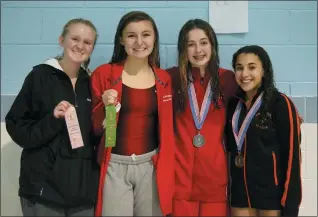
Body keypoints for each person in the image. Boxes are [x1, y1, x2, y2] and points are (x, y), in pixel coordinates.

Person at [5, 18, 100, 216]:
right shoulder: (39, 76)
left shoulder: (91, 83)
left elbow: (93, 135)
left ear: (92, 48)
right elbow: (17, 126)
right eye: (75, 38)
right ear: (62, 40)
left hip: (83, 194)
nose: (80, 46)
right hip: (44, 191)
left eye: (87, 42)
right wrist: (52, 120)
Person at [90, 11, 175, 216]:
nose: (139, 42)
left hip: (151, 167)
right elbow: (94, 128)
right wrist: (103, 106)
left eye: (146, 34)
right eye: (131, 35)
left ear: (154, 38)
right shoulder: (104, 74)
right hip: (115, 167)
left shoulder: (163, 78)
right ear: (121, 39)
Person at [166, 19, 238, 216]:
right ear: (183, 49)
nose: (198, 50)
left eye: (204, 42)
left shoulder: (228, 80)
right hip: (179, 179)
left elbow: (254, 98)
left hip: (215, 179)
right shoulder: (170, 78)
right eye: (191, 44)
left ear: (213, 45)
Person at [225, 45, 302, 217]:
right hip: (240, 196)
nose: (245, 74)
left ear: (264, 71)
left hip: (271, 198)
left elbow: (292, 159)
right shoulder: (233, 106)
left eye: (252, 67)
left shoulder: (280, 104)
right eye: (239, 68)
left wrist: (290, 206)